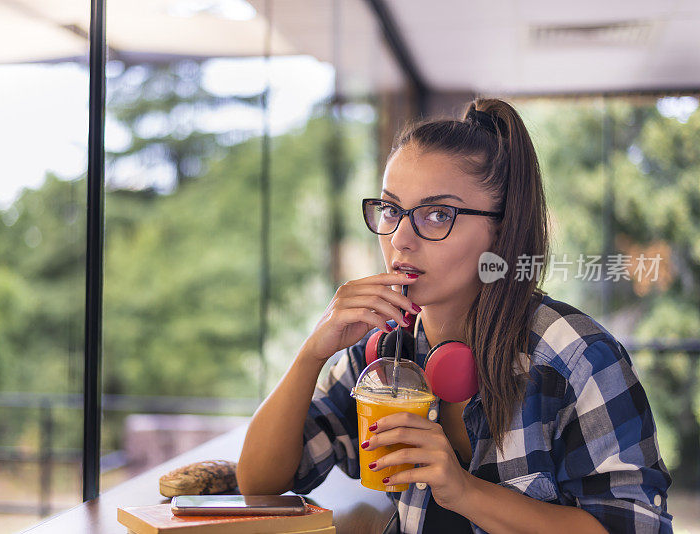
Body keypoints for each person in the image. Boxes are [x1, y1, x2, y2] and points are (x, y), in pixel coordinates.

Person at [236, 98, 673, 534]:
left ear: (500, 230)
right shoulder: (384, 350)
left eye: (437, 214)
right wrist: (312, 353)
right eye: (391, 210)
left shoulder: (575, 355)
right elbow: (259, 483)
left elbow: (636, 528)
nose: (401, 239)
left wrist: (464, 491)